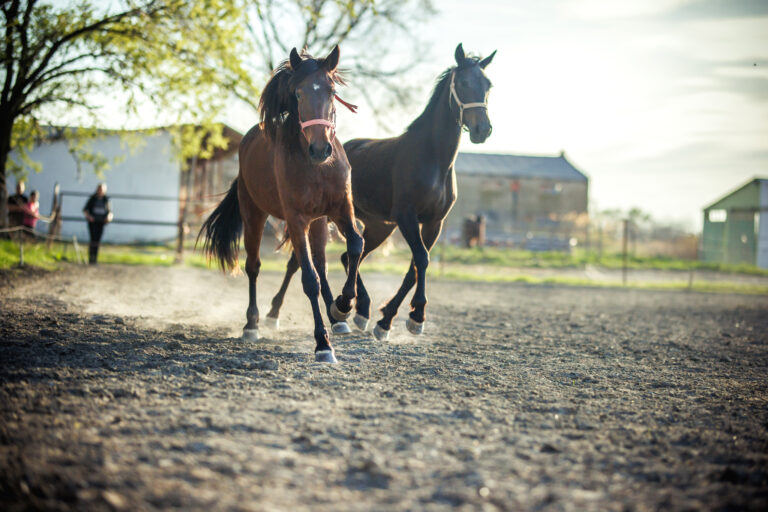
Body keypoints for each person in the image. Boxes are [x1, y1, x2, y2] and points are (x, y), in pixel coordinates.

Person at [83, 183, 113, 264]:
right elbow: (85, 210)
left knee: (98, 240)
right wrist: (89, 217)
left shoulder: (106, 200)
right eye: (99, 189)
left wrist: (109, 218)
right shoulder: (92, 198)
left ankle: (95, 258)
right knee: (92, 239)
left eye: (102, 189)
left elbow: (110, 212)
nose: (100, 191)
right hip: (93, 222)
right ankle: (91, 258)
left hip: (101, 222)